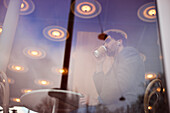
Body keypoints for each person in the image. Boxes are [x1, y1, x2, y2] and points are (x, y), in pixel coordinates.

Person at [71, 31, 145, 113]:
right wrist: (99, 64)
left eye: (108, 41)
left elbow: (121, 85)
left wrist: (98, 102)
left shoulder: (128, 53)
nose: (105, 45)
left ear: (119, 42)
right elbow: (102, 91)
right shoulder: (116, 63)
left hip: (125, 107)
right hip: (113, 107)